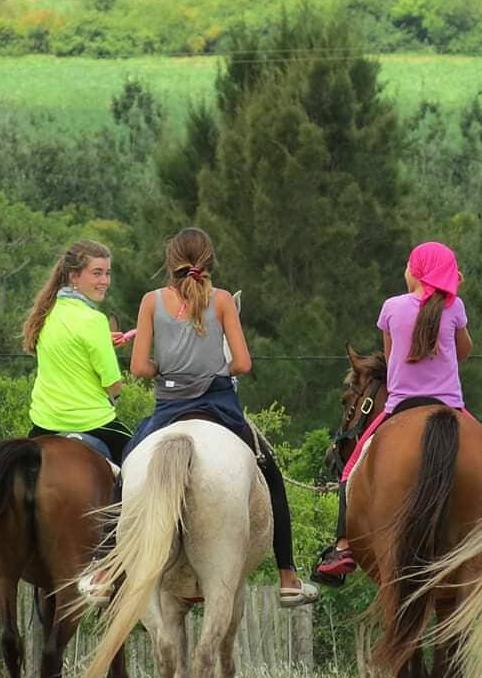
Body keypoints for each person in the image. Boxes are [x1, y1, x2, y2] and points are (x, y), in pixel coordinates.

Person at [89, 227, 317, 607]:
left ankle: (103, 569)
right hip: (220, 405)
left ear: (170, 262)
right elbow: (243, 363)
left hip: (169, 407)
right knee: (271, 473)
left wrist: (167, 367)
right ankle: (288, 576)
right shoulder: (224, 300)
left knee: (128, 465)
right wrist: (212, 369)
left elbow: (141, 369)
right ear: (209, 262)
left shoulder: (150, 301)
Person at [0, 241, 133, 611]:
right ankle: (108, 557)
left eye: (107, 272)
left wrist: (100, 345)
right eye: (97, 272)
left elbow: (68, 350)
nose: (105, 280)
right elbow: (114, 386)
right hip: (95, 423)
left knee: (1, 492)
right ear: (75, 275)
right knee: (140, 470)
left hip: (44, 424)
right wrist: (109, 358)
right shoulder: (93, 321)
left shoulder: (47, 312)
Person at [313, 242, 472, 586]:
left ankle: (342, 548)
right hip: (450, 405)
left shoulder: (391, 308)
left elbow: (391, 357)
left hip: (400, 406)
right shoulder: (454, 306)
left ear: (415, 272)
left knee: (350, 472)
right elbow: (464, 351)